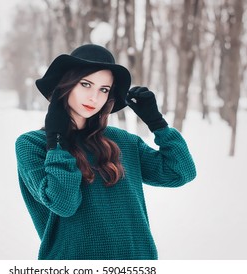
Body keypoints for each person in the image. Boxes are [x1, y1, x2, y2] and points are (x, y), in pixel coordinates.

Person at [15, 44, 196, 260]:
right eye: (86, 84)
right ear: (66, 85)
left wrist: (157, 123)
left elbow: (180, 172)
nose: (94, 97)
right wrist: (57, 141)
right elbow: (64, 203)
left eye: (104, 89)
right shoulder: (32, 145)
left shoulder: (122, 141)